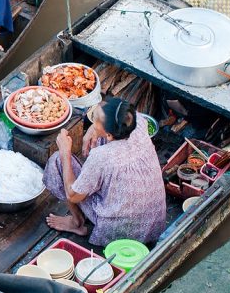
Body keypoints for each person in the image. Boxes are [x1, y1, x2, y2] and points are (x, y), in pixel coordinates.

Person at [43, 98, 167, 246]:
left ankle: (76, 222)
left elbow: (73, 195)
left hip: (119, 232)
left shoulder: (101, 157)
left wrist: (65, 151)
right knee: (99, 143)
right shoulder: (138, 122)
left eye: (95, 121)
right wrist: (92, 130)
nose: (93, 121)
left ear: (109, 134)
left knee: (57, 161)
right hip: (152, 224)